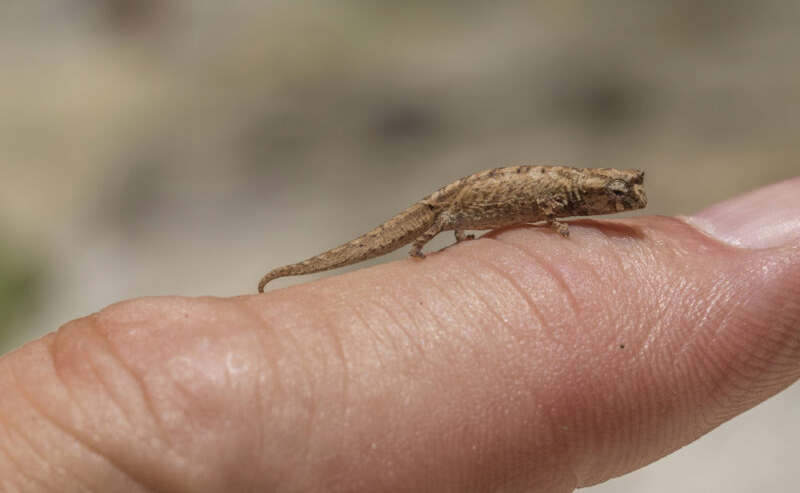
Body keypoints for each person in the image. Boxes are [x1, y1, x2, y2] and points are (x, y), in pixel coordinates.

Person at [1, 177, 798, 492]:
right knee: (364, 251)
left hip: (458, 209)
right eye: (618, 196)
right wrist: (456, 236)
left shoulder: (575, 198)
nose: (624, 201)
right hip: (444, 211)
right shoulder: (565, 201)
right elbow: (531, 205)